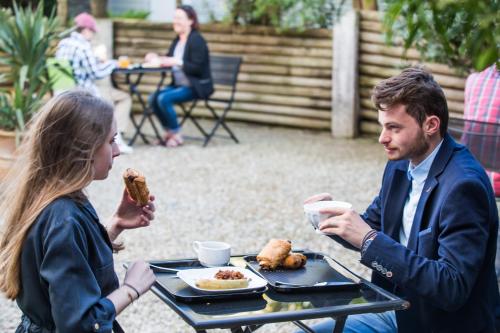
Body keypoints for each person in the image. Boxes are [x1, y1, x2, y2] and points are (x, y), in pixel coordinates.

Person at [301, 67, 500, 333]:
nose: (382, 138)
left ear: (431, 125)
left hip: (440, 326)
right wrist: (326, 217)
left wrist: (369, 241)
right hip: (395, 311)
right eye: (383, 126)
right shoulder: (400, 165)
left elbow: (452, 287)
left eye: (393, 128)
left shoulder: (464, 186)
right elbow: (373, 225)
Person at [0, 90, 156, 333]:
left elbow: (65, 258)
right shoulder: (64, 217)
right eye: (111, 140)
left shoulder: (48, 196)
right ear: (84, 150)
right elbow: (79, 325)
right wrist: (131, 289)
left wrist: (115, 224)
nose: (117, 150)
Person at [56, 12, 134, 154]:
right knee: (113, 101)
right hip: (84, 94)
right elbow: (96, 74)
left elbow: (75, 66)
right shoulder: (83, 46)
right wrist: (112, 64)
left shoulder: (63, 43)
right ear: (86, 30)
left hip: (63, 92)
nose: (92, 35)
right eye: (92, 32)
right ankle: (116, 141)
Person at [145, 5, 214, 147]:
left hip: (196, 86)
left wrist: (177, 61)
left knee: (164, 98)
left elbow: (198, 68)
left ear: (190, 21)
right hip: (179, 85)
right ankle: (169, 132)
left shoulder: (197, 40)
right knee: (153, 98)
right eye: (174, 17)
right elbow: (170, 59)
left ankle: (177, 134)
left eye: (179, 18)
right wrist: (157, 58)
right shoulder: (177, 40)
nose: (175, 21)